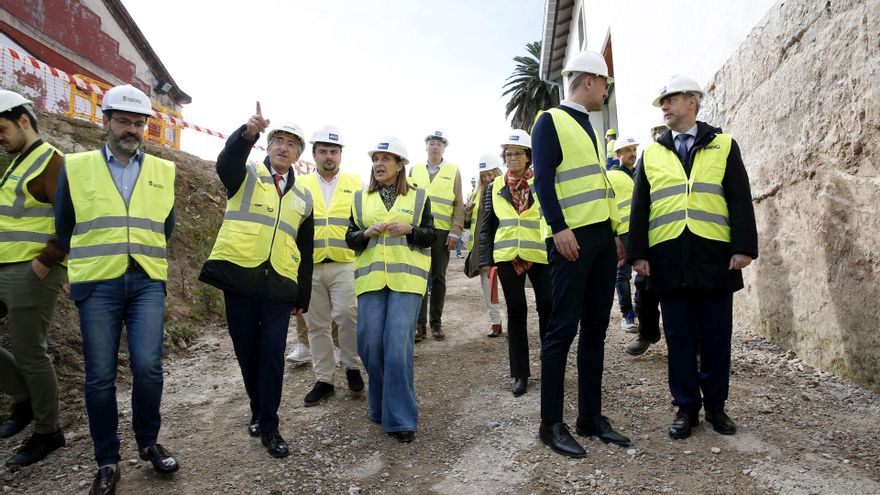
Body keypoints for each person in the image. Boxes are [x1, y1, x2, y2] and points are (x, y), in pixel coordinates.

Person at [55, 84, 179, 495]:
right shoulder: (76, 166)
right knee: (99, 376)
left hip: (146, 279)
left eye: (138, 123)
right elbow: (64, 225)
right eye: (123, 120)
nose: (131, 129)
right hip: (98, 282)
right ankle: (106, 460)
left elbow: (168, 227)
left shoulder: (163, 171)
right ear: (105, 121)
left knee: (147, 367)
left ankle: (148, 443)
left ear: (146, 128)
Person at [629, 75, 758, 440]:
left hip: (714, 257)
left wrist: (743, 247)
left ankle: (716, 406)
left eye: (669, 100)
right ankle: (687, 408)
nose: (664, 107)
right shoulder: (652, 152)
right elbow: (641, 207)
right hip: (669, 258)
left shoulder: (723, 145)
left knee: (717, 337)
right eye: (661, 103)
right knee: (680, 338)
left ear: (691, 101)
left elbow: (738, 198)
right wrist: (638, 254)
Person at [199, 104, 314, 458]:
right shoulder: (244, 175)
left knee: (272, 357)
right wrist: (248, 132)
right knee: (246, 351)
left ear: (297, 155)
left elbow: (305, 250)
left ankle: (270, 424)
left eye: (292, 144)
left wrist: (303, 294)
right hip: (240, 279)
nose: (284, 147)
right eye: (278, 140)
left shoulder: (303, 198)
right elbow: (225, 162)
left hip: (280, 286)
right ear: (268, 145)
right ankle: (256, 407)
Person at [532, 50, 631, 459]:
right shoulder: (550, 120)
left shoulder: (588, 126)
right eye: (605, 83)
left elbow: (596, 186)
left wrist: (615, 235)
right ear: (589, 80)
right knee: (561, 332)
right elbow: (543, 181)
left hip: (600, 241)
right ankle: (550, 424)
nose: (606, 91)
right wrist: (559, 229)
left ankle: (590, 417)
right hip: (570, 242)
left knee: (594, 330)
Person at [346, 136, 435, 443]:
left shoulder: (419, 197)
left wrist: (411, 230)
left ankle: (400, 418)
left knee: (396, 346)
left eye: (386, 159)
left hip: (407, 282)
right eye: (376, 159)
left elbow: (430, 235)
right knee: (370, 343)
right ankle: (380, 405)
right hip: (371, 280)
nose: (379, 164)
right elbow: (350, 238)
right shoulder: (360, 198)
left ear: (400, 165)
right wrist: (366, 232)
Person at [0, 90, 66, 468]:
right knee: (26, 354)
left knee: (30, 351)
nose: (1, 137)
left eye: (3, 128)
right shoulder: (18, 161)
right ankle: (23, 397)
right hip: (5, 266)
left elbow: (69, 219)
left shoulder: (51, 162)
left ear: (24, 121)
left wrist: (46, 260)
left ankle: (48, 431)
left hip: (32, 271)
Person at [479, 130, 552, 397]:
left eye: (517, 153)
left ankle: (551, 366)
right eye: (508, 154)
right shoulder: (495, 186)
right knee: (517, 311)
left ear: (528, 156)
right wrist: (485, 260)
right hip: (508, 254)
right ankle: (520, 373)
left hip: (540, 253)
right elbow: (487, 225)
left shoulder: (543, 181)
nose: (512, 158)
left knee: (547, 306)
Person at [296, 125, 363, 406]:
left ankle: (351, 367)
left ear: (341, 154)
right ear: (313, 155)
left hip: (344, 262)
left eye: (333, 151)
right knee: (316, 325)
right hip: (310, 266)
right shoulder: (300, 185)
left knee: (348, 315)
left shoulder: (355, 183)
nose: (328, 156)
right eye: (323, 151)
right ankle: (324, 379)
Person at [409, 129, 464, 341]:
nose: (435, 146)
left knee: (438, 277)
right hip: (420, 231)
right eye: (431, 142)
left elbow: (459, 202)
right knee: (420, 277)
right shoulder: (414, 170)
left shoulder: (453, 170)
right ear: (426, 146)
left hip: (442, 232)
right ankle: (419, 325)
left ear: (444, 148)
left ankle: (436, 323)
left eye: (439, 143)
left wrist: (455, 230)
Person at [464, 154, 503, 337]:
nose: (487, 179)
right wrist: (467, 211)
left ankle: (516, 321)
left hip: (504, 244)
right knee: (488, 287)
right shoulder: (475, 194)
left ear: (497, 172)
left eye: (490, 174)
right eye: (484, 175)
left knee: (509, 287)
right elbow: (469, 222)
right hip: (483, 247)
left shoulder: (505, 188)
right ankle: (495, 322)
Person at [606, 135, 640, 332]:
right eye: (627, 150)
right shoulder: (611, 176)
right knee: (623, 275)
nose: (632, 154)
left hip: (643, 230)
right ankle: (628, 314)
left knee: (644, 274)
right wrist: (614, 235)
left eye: (634, 149)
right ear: (618, 154)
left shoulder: (640, 173)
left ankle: (640, 309)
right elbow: (608, 206)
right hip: (624, 231)